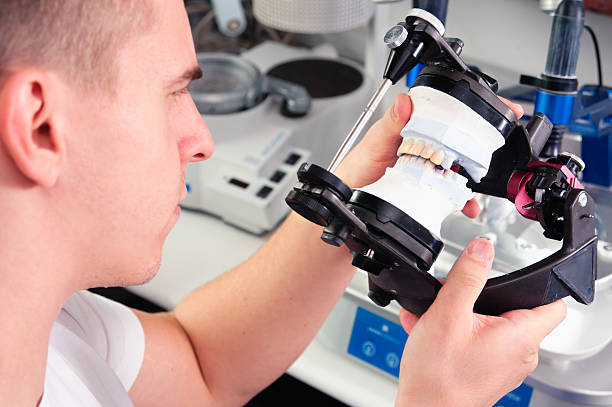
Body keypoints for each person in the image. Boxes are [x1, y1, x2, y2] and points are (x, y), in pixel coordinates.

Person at [0, 1, 567, 406]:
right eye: (173, 93)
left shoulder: (52, 330)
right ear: (41, 126)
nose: (203, 140)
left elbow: (203, 366)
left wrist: (365, 196)